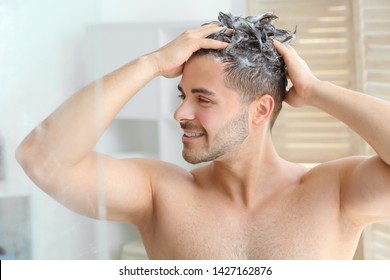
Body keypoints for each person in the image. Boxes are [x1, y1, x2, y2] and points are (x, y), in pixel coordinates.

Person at [16, 12, 390, 259]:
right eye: (183, 95)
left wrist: (316, 90)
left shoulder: (333, 192)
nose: (180, 113)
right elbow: (40, 158)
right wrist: (150, 63)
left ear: (261, 110)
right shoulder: (159, 194)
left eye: (203, 99)